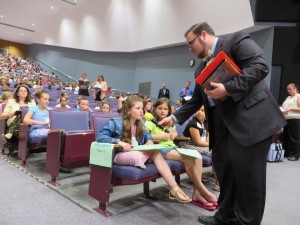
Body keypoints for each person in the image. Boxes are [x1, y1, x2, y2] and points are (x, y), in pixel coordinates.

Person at [159, 22, 286, 225]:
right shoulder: (199, 70)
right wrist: (174, 118)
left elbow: (260, 66)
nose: (189, 49)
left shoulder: (235, 41)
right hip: (222, 130)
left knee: (248, 178)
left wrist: (227, 88)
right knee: (226, 175)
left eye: (190, 43)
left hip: (250, 122)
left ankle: (246, 222)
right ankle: (224, 216)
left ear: (203, 35)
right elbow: (196, 101)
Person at [97, 96, 191, 203]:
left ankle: (174, 188)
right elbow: (100, 137)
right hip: (120, 155)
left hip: (137, 152)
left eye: (142, 108)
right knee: (146, 154)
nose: (141, 111)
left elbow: (148, 136)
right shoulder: (116, 122)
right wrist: (119, 142)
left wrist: (150, 142)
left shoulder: (140, 124)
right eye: (137, 108)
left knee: (155, 151)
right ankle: (147, 160)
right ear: (128, 110)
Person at [145, 98, 217, 210]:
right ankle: (202, 190)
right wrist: (160, 137)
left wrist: (174, 134)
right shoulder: (150, 122)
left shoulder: (169, 123)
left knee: (197, 157)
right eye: (160, 108)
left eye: (165, 109)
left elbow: (174, 132)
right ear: (154, 109)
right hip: (160, 150)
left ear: (169, 111)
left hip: (172, 147)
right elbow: (144, 136)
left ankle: (197, 193)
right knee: (189, 158)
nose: (163, 111)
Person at [1, 85, 36, 156]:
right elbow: (3, 115)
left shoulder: (32, 102)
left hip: (27, 122)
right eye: (21, 91)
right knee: (21, 114)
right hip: (12, 120)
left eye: (25, 91)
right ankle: (11, 134)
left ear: (27, 93)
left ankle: (10, 135)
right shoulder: (11, 101)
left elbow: (35, 114)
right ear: (17, 93)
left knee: (24, 115)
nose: (23, 92)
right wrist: (10, 114)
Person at [281, 83, 300, 161]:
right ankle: (287, 153)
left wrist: (290, 109)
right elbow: (283, 106)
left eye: (290, 89)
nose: (289, 91)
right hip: (287, 118)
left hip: (295, 118)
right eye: (287, 89)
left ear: (295, 89)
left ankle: (295, 155)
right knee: (286, 137)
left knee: (294, 138)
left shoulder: (298, 96)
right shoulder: (288, 97)